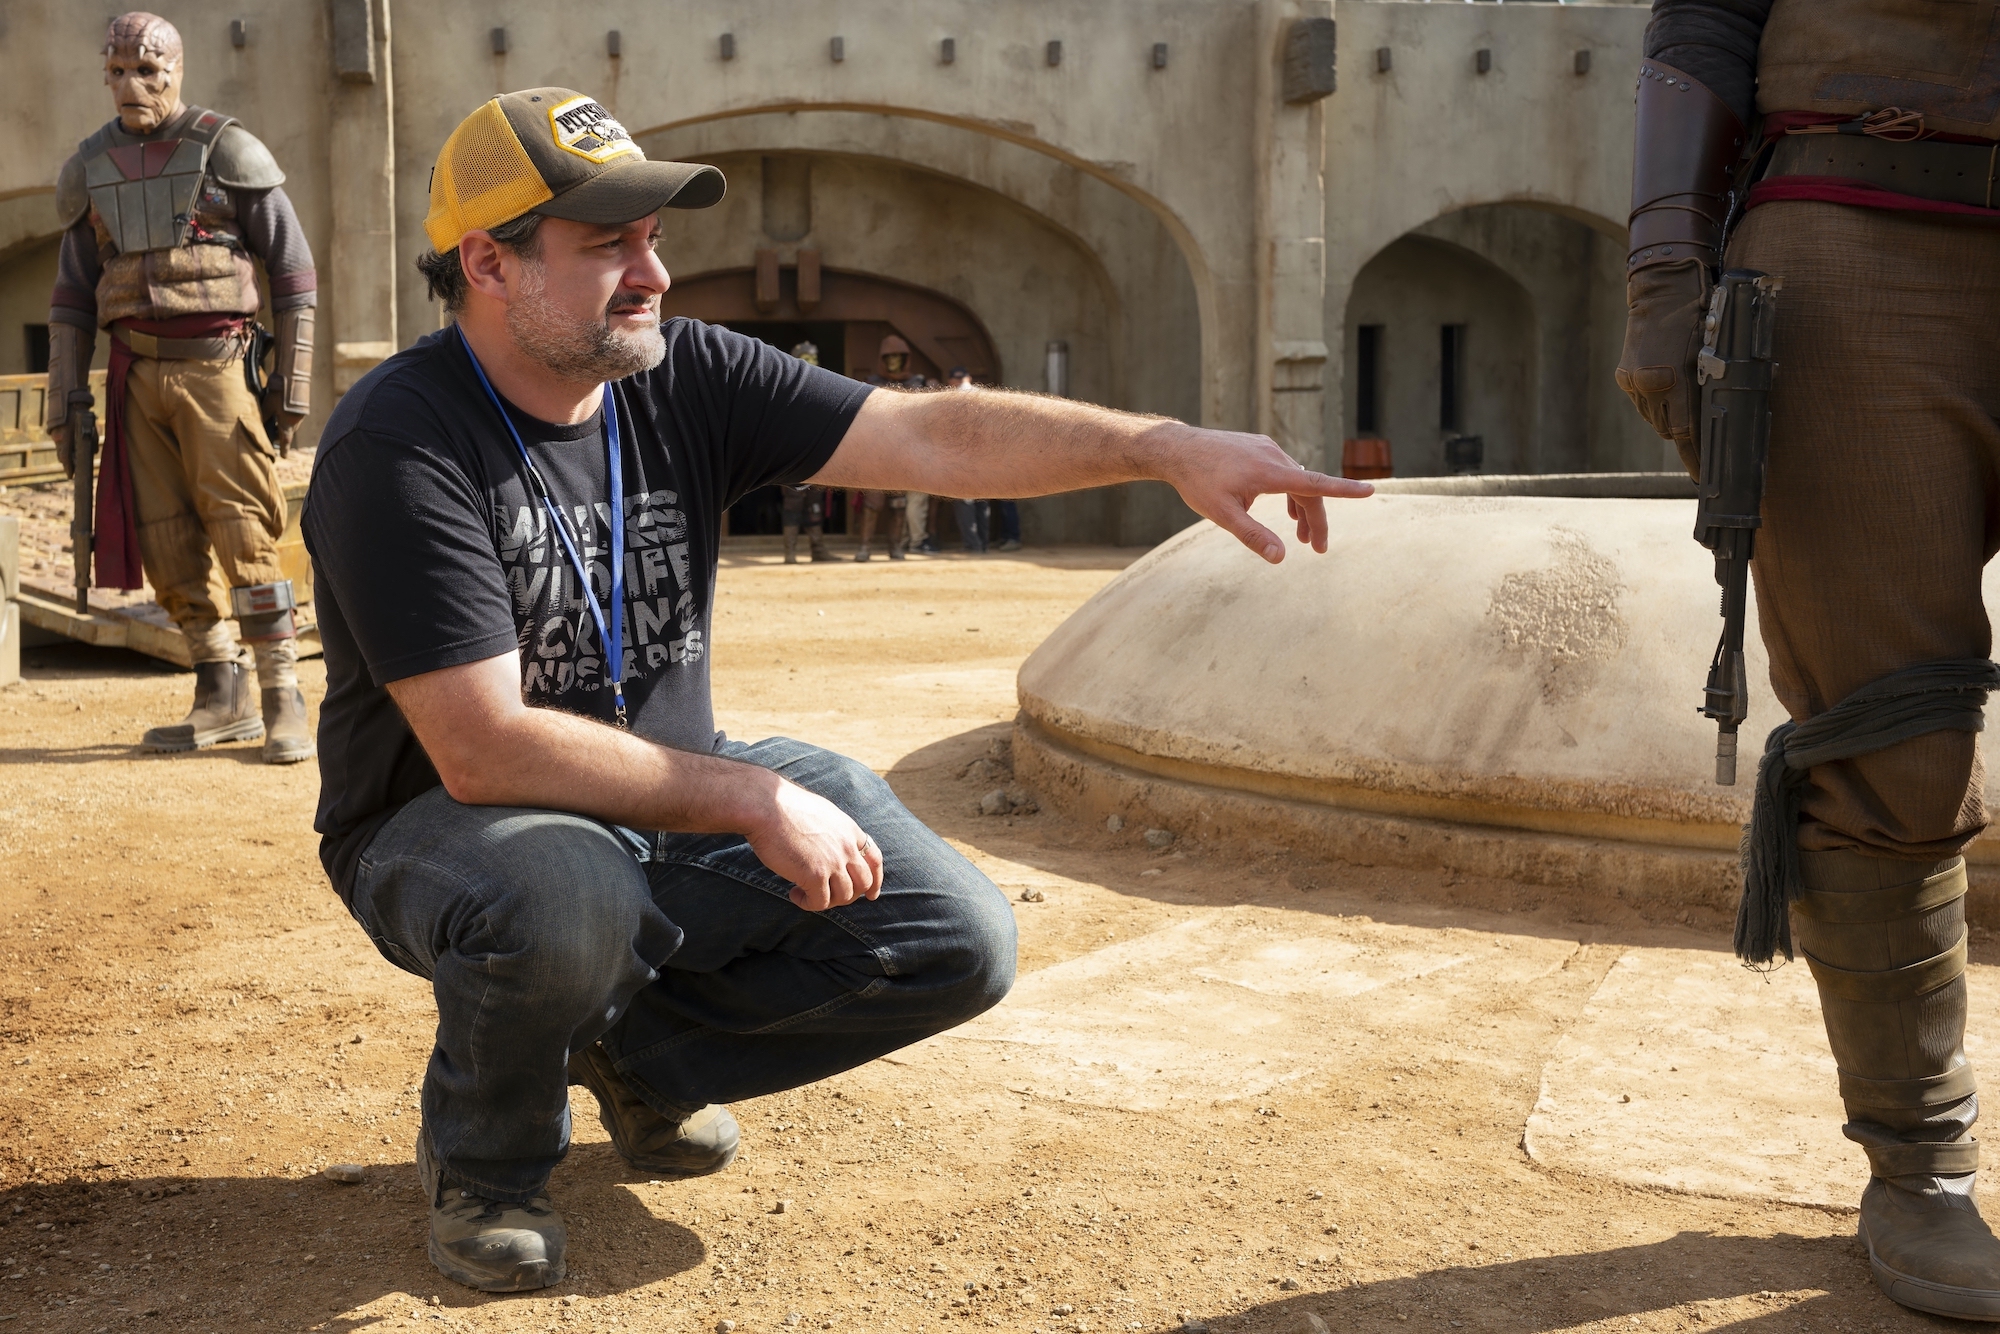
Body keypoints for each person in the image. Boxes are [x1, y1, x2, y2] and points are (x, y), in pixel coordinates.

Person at [304, 86, 1369, 1294]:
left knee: (950, 936)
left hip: (660, 801)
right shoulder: (402, 441)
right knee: (566, 889)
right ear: (489, 262)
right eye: (607, 245)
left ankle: (638, 1059)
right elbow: (484, 747)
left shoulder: (686, 373)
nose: (653, 274)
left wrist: (1155, 446)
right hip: (453, 828)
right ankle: (489, 1163)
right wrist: (750, 797)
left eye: (653, 237)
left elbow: (930, 436)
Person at [1617, 2, 2000, 1315]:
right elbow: (1708, 15)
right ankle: (1921, 1165)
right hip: (1856, 239)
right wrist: (1662, 269)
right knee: (1893, 734)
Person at [46, 12, 317, 763]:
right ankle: (218, 691)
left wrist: (290, 386)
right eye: (117, 71)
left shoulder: (227, 149)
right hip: (134, 376)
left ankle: (281, 692)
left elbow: (292, 271)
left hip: (216, 369)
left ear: (177, 69)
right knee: (165, 535)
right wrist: (63, 402)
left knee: (244, 528)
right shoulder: (89, 167)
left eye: (147, 70)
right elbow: (70, 299)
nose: (130, 85)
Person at [856, 334, 932, 561]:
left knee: (898, 504)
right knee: (872, 503)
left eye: (897, 357)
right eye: (889, 357)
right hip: (876, 450)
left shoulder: (916, 383)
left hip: (903, 450)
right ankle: (864, 547)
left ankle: (895, 547)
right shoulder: (871, 382)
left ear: (905, 359)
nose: (893, 361)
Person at [779, 341, 834, 563]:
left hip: (817, 454)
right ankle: (790, 553)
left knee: (814, 503)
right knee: (793, 503)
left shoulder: (825, 385)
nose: (812, 363)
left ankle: (818, 549)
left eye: (814, 358)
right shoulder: (785, 387)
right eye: (806, 357)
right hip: (791, 455)